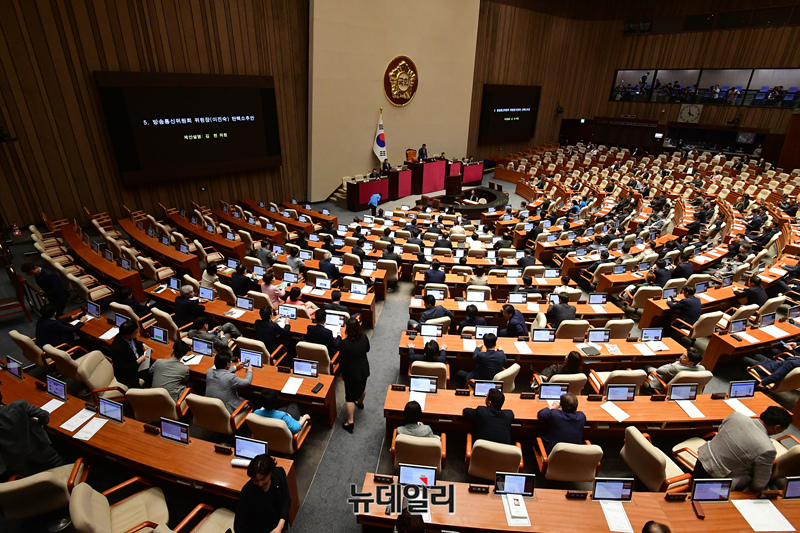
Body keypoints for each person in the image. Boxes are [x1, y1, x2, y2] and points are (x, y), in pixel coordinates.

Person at [694, 407, 791, 491]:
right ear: (777, 427)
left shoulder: (736, 416)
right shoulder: (767, 449)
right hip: (719, 480)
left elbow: (721, 431)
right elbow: (759, 484)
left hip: (702, 460)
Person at [0, 390, 63, 477]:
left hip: (13, 457)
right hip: (36, 445)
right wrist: (40, 426)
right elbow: (43, 415)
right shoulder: (19, 405)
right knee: (56, 461)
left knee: (26, 477)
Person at [234, 454, 291, 533]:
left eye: (263, 479)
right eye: (256, 480)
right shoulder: (247, 491)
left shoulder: (279, 473)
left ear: (271, 472)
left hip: (279, 523)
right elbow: (239, 525)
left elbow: (286, 500)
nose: (260, 484)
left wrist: (279, 527)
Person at [339, 318, 370, 433]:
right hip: (363, 369)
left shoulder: (344, 344)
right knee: (362, 388)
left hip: (350, 373)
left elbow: (342, 361)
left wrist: (342, 373)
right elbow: (367, 349)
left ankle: (350, 422)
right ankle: (360, 403)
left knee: (350, 397)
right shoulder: (364, 338)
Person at [107, 320, 148, 389]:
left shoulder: (128, 336)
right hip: (129, 372)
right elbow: (122, 368)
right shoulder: (117, 349)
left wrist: (142, 344)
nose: (136, 335)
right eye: (135, 333)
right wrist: (138, 361)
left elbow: (134, 341)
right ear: (127, 335)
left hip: (138, 361)